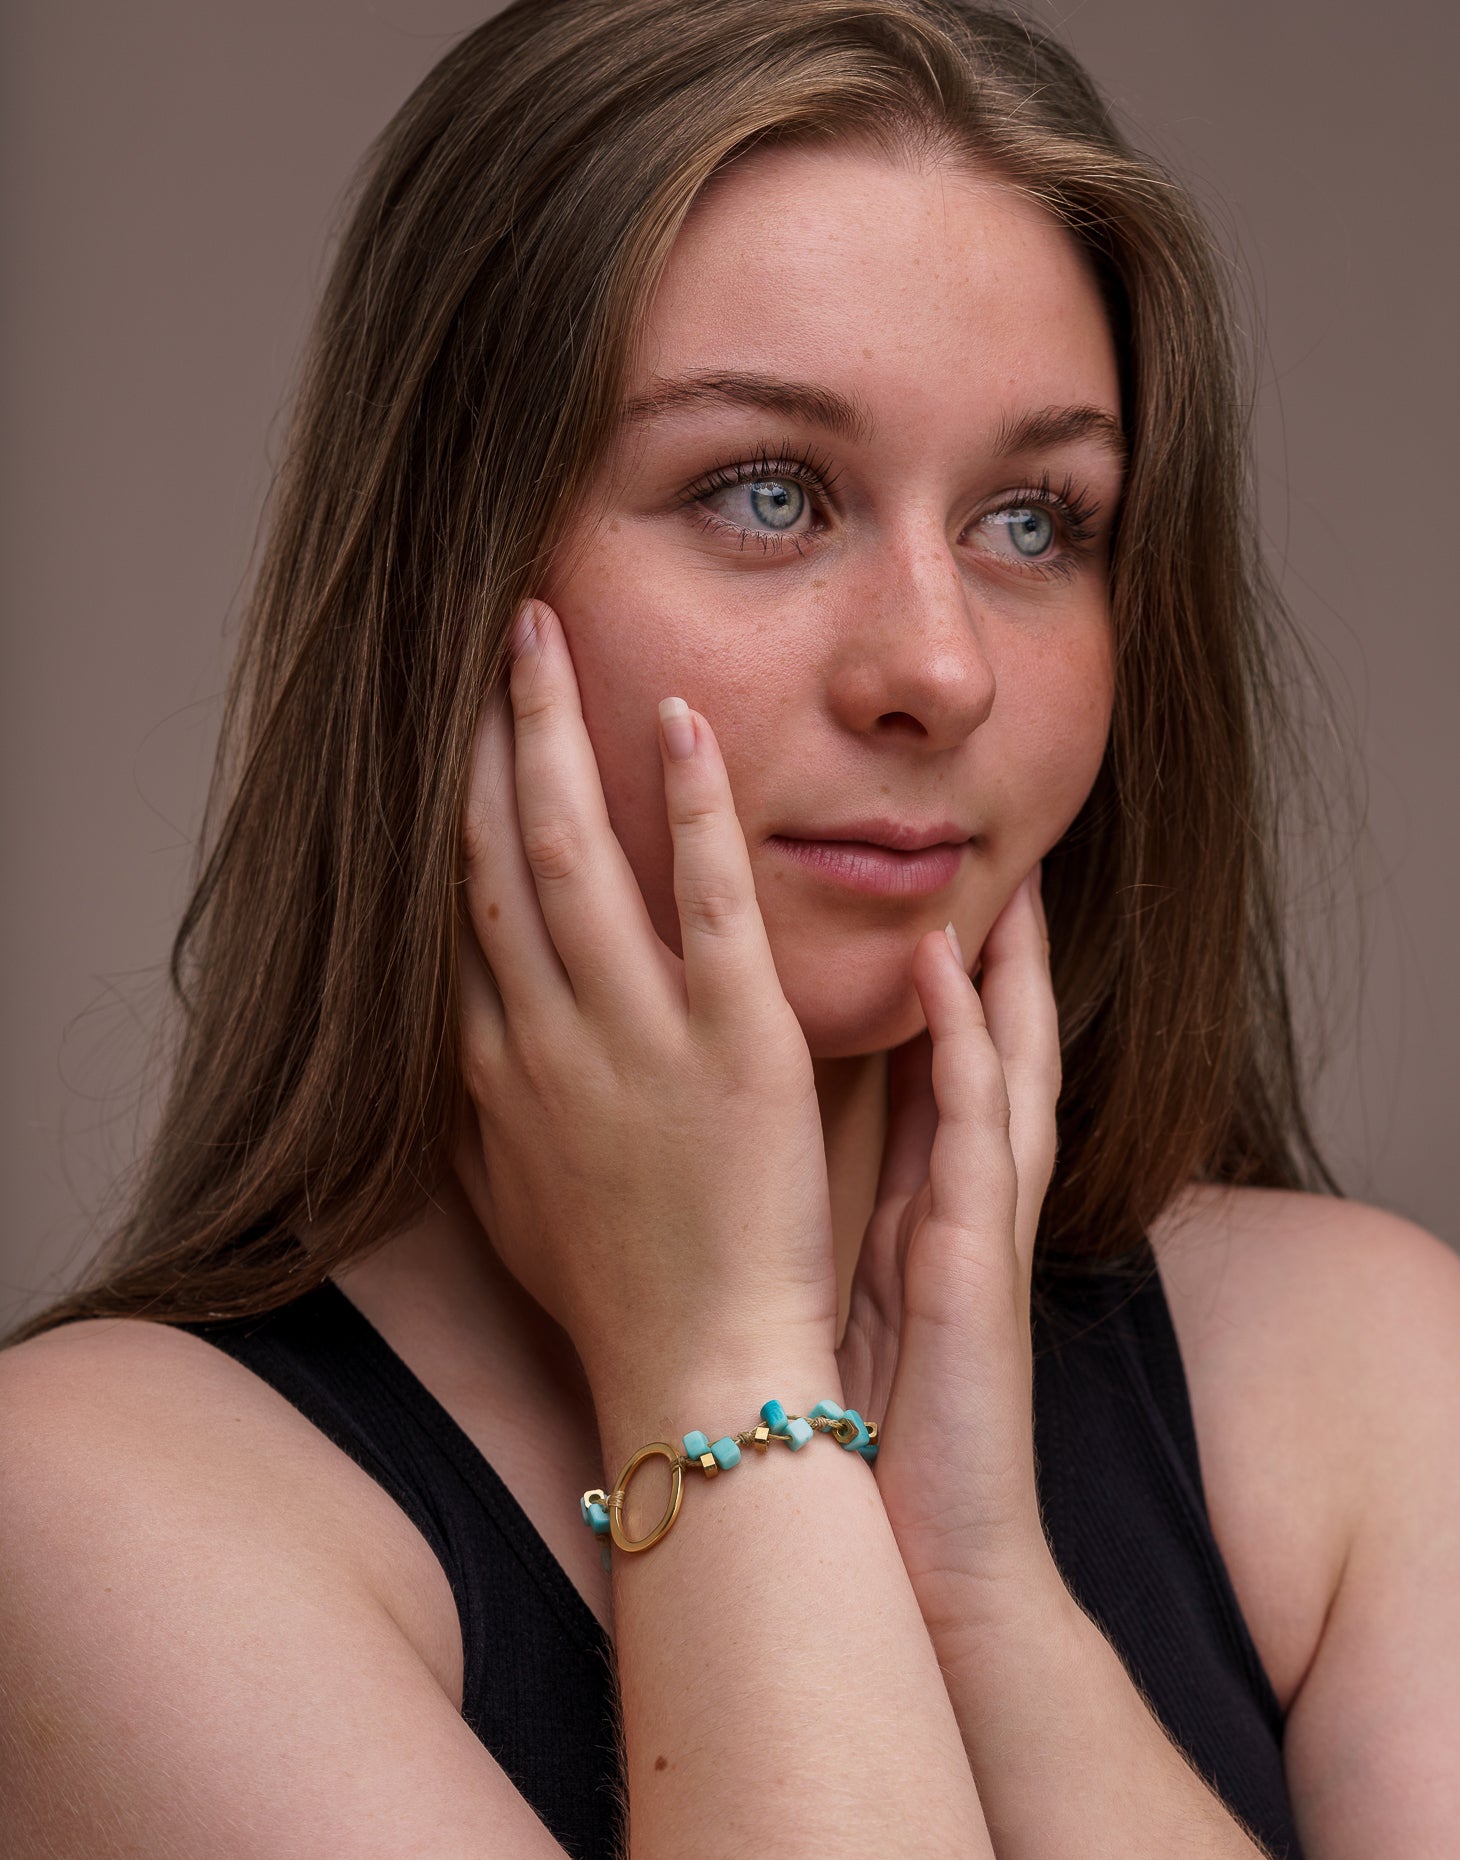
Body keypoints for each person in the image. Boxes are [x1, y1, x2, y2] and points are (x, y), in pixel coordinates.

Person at [2, 0, 1456, 1853]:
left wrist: (992, 1608)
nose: (938, 666)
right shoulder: (98, 1517)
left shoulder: (1363, 1380)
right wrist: (725, 1369)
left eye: (1035, 521)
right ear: (453, 588)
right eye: (767, 493)